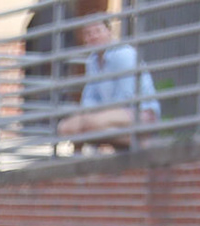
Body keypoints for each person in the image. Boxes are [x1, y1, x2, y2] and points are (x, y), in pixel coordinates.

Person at [58, 19, 161, 148]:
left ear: (109, 32)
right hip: (108, 115)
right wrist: (83, 115)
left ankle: (142, 141)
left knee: (90, 124)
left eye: (98, 31)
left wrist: (94, 116)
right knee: (65, 127)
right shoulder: (92, 61)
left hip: (140, 112)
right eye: (88, 33)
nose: (93, 36)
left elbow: (128, 97)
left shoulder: (123, 54)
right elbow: (90, 97)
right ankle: (78, 163)